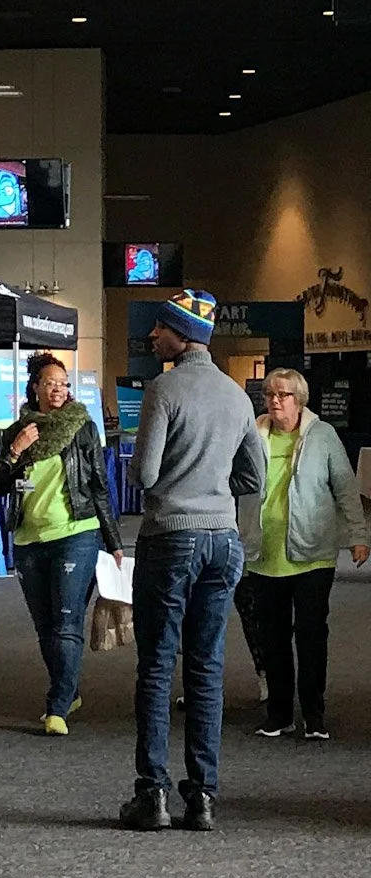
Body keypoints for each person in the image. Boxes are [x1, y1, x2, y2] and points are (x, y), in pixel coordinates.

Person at [119, 289, 266, 833]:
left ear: (182, 335)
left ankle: (152, 795)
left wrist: (151, 471)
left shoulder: (164, 389)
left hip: (171, 537)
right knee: (206, 667)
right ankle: (202, 797)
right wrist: (212, 483)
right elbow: (254, 477)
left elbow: (145, 474)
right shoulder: (236, 395)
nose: (152, 335)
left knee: (157, 666)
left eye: (160, 328)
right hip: (223, 540)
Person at [0, 353, 123, 737]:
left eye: (64, 384)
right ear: (35, 387)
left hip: (77, 534)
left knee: (66, 623)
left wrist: (113, 541)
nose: (59, 390)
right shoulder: (17, 431)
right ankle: (70, 690)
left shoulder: (82, 428)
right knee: (46, 627)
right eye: (51, 383)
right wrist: (15, 450)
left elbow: (99, 486)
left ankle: (57, 705)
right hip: (29, 540)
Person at [237, 367, 369, 740]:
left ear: (300, 399)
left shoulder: (322, 435)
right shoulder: (252, 435)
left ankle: (313, 714)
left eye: (283, 394)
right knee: (273, 639)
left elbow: (345, 488)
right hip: (264, 555)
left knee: (311, 636)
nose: (274, 401)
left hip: (313, 555)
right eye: (269, 394)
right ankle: (279, 714)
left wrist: (358, 535)